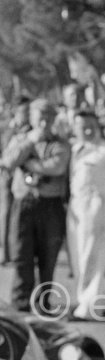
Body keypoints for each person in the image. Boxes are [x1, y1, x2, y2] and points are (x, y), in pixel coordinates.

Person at [2, 98, 71, 313]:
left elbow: (57, 167)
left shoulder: (60, 143)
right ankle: (21, 303)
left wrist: (30, 164)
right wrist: (30, 142)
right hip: (24, 204)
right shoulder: (21, 139)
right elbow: (8, 161)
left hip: (50, 205)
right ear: (31, 118)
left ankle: (43, 302)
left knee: (48, 256)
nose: (43, 122)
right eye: (39, 117)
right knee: (22, 255)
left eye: (47, 117)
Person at [67, 110, 105, 320]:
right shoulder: (75, 149)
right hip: (77, 206)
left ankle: (88, 306)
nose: (87, 130)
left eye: (91, 126)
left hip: (97, 205)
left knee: (92, 256)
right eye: (81, 126)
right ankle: (89, 301)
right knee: (78, 255)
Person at [0, 96, 31, 262]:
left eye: (28, 111)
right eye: (22, 111)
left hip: (23, 176)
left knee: (19, 215)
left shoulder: (31, 131)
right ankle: (5, 252)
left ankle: (17, 250)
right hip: (6, 174)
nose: (25, 115)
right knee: (5, 213)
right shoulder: (7, 128)